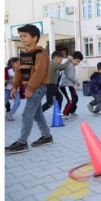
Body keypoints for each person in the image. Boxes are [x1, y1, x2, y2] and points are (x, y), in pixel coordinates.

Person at [5, 24, 52, 154]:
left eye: (25, 36)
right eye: (20, 36)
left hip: (38, 87)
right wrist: (14, 86)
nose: (22, 38)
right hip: (31, 87)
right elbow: (19, 71)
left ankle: (22, 142)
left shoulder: (40, 53)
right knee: (37, 113)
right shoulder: (24, 54)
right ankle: (47, 136)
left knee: (27, 114)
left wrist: (31, 88)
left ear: (35, 37)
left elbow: (39, 72)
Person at [59, 51, 83, 119]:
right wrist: (77, 82)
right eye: (77, 61)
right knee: (70, 100)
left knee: (75, 98)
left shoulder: (71, 65)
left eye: (79, 62)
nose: (77, 63)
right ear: (72, 59)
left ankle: (71, 112)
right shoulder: (70, 65)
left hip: (69, 85)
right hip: (65, 85)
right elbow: (70, 76)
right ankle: (65, 114)